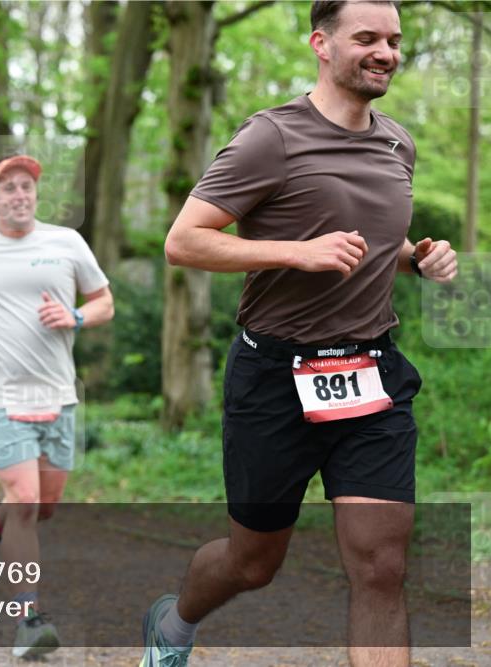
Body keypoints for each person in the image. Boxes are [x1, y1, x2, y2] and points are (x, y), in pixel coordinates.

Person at [139, 3, 458, 666]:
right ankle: (173, 622)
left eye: (394, 40)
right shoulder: (272, 137)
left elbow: (375, 242)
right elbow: (184, 241)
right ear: (321, 43)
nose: (386, 52)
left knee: (382, 564)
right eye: (367, 38)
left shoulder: (398, 143)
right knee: (253, 562)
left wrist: (417, 258)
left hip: (370, 375)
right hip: (274, 378)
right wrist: (295, 252)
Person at [0, 154, 115, 659]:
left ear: (36, 194)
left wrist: (76, 316)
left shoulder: (67, 242)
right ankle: (28, 620)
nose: (19, 194)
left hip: (56, 393)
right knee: (26, 500)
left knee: (44, 506)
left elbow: (104, 301)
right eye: (8, 186)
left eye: (26, 186)